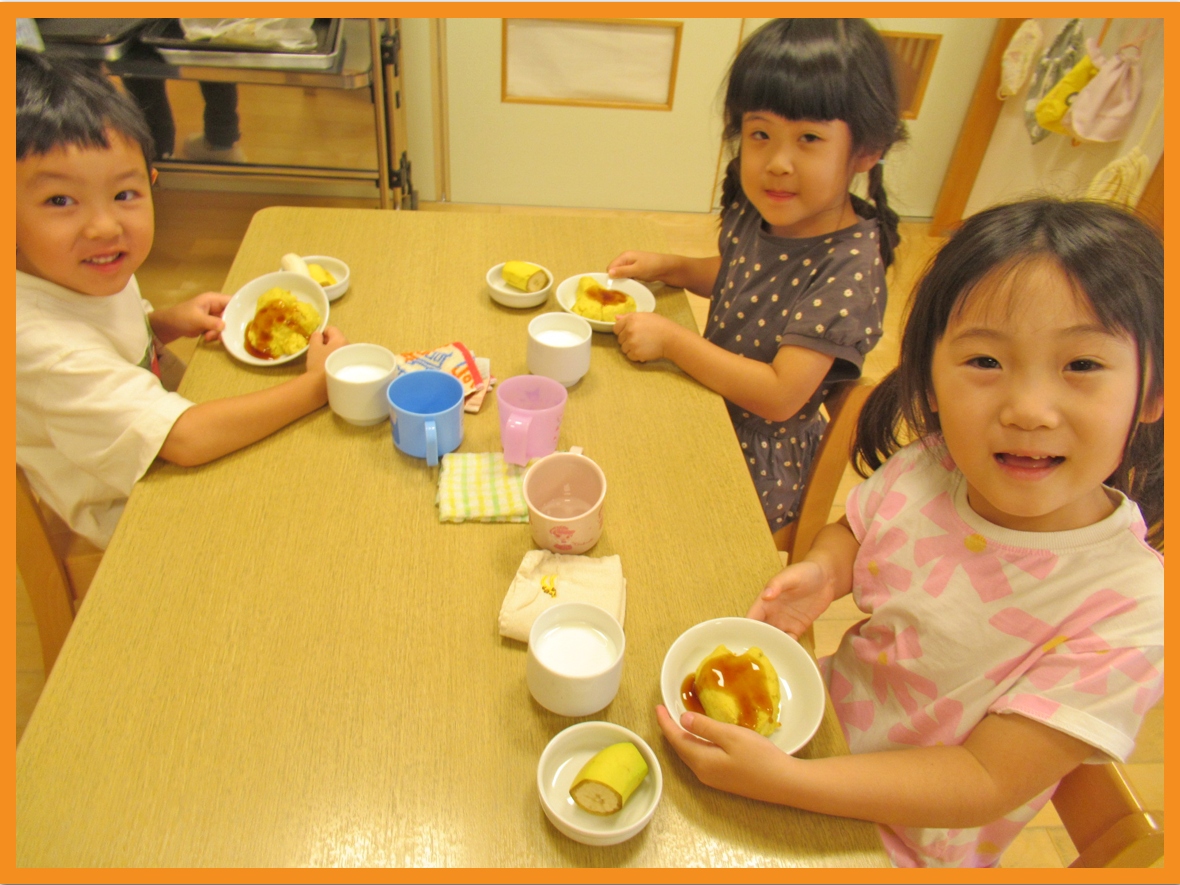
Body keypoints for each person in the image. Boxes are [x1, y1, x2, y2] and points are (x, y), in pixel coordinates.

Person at [656, 198, 1165, 867]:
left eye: (1083, 366)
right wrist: (825, 572)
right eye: (986, 361)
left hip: (897, 841)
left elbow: (982, 779)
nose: (1028, 410)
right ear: (928, 379)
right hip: (815, 731)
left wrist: (788, 782)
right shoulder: (933, 467)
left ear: (1153, 391)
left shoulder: (1132, 609)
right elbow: (858, 529)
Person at [16, 49, 347, 549]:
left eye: (124, 194)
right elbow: (186, 438)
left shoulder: (81, 270)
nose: (104, 226)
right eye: (60, 200)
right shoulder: (40, 347)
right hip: (133, 513)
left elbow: (107, 342)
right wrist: (318, 385)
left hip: (156, 442)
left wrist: (164, 323)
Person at [606, 19, 905, 536]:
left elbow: (780, 395)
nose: (777, 163)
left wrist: (674, 341)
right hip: (709, 405)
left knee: (633, 509)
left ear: (866, 150)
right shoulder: (764, 210)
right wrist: (673, 267)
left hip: (754, 465)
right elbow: (742, 276)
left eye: (809, 138)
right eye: (760, 134)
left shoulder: (850, 268)